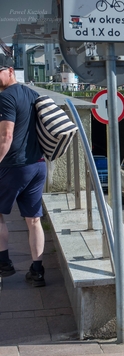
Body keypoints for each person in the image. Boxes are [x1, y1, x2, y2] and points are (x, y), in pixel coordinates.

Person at [0, 55, 47, 286]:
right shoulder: (32, 94)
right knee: (34, 220)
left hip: (15, 165)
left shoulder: (5, 97)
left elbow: (6, 136)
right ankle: (37, 271)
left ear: (10, 70)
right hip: (38, 165)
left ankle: (4, 263)